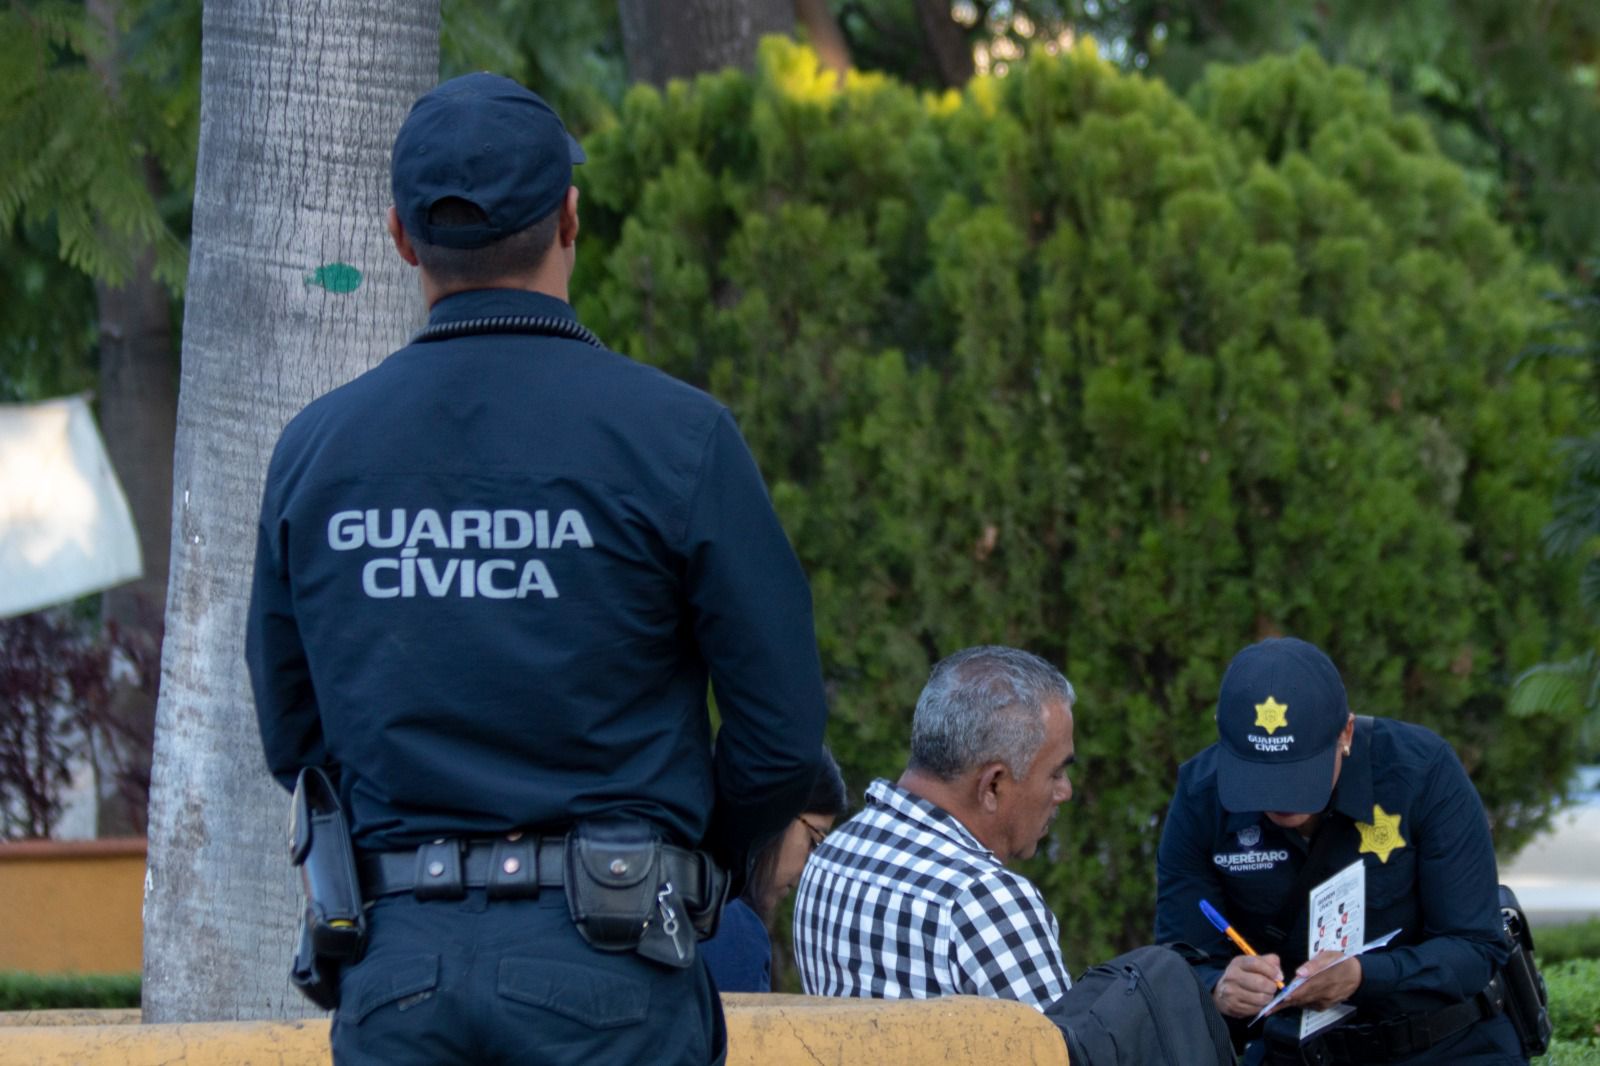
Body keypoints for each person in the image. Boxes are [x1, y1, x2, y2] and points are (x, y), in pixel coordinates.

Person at [245, 72, 829, 1066]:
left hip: (399, 978)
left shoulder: (316, 451)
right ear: (569, 217)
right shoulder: (677, 438)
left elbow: (292, 735)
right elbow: (780, 734)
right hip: (611, 966)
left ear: (400, 236)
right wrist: (689, 853)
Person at [1155, 637, 1526, 1065]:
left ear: (1345, 733)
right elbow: (1179, 959)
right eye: (1258, 778)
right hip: (1298, 1052)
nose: (1280, 797)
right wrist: (1217, 986)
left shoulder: (1421, 772)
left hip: (1445, 1045)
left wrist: (1363, 977)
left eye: (1299, 775)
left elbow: (1475, 946)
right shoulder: (1201, 795)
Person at [792, 646, 1076, 1010]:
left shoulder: (831, 856)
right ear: (992, 785)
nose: (1065, 791)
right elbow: (1056, 1043)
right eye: (1056, 773)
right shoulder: (985, 900)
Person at [701, 748, 849, 993]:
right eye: (814, 841)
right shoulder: (733, 930)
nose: (810, 864)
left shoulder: (670, 888)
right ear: (776, 812)